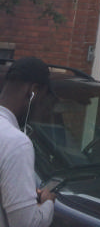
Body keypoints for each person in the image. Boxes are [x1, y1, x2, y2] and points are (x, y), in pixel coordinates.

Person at [0, 57, 55, 227]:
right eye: (44, 99)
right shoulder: (17, 143)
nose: (43, 110)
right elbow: (26, 223)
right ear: (33, 91)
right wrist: (48, 203)